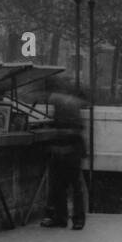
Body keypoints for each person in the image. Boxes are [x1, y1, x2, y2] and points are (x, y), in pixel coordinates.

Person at [40, 78, 87, 231]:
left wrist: (56, 135)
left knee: (69, 186)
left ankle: (69, 218)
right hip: (66, 149)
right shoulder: (67, 103)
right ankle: (69, 218)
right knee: (63, 186)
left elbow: (75, 130)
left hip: (70, 150)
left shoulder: (64, 103)